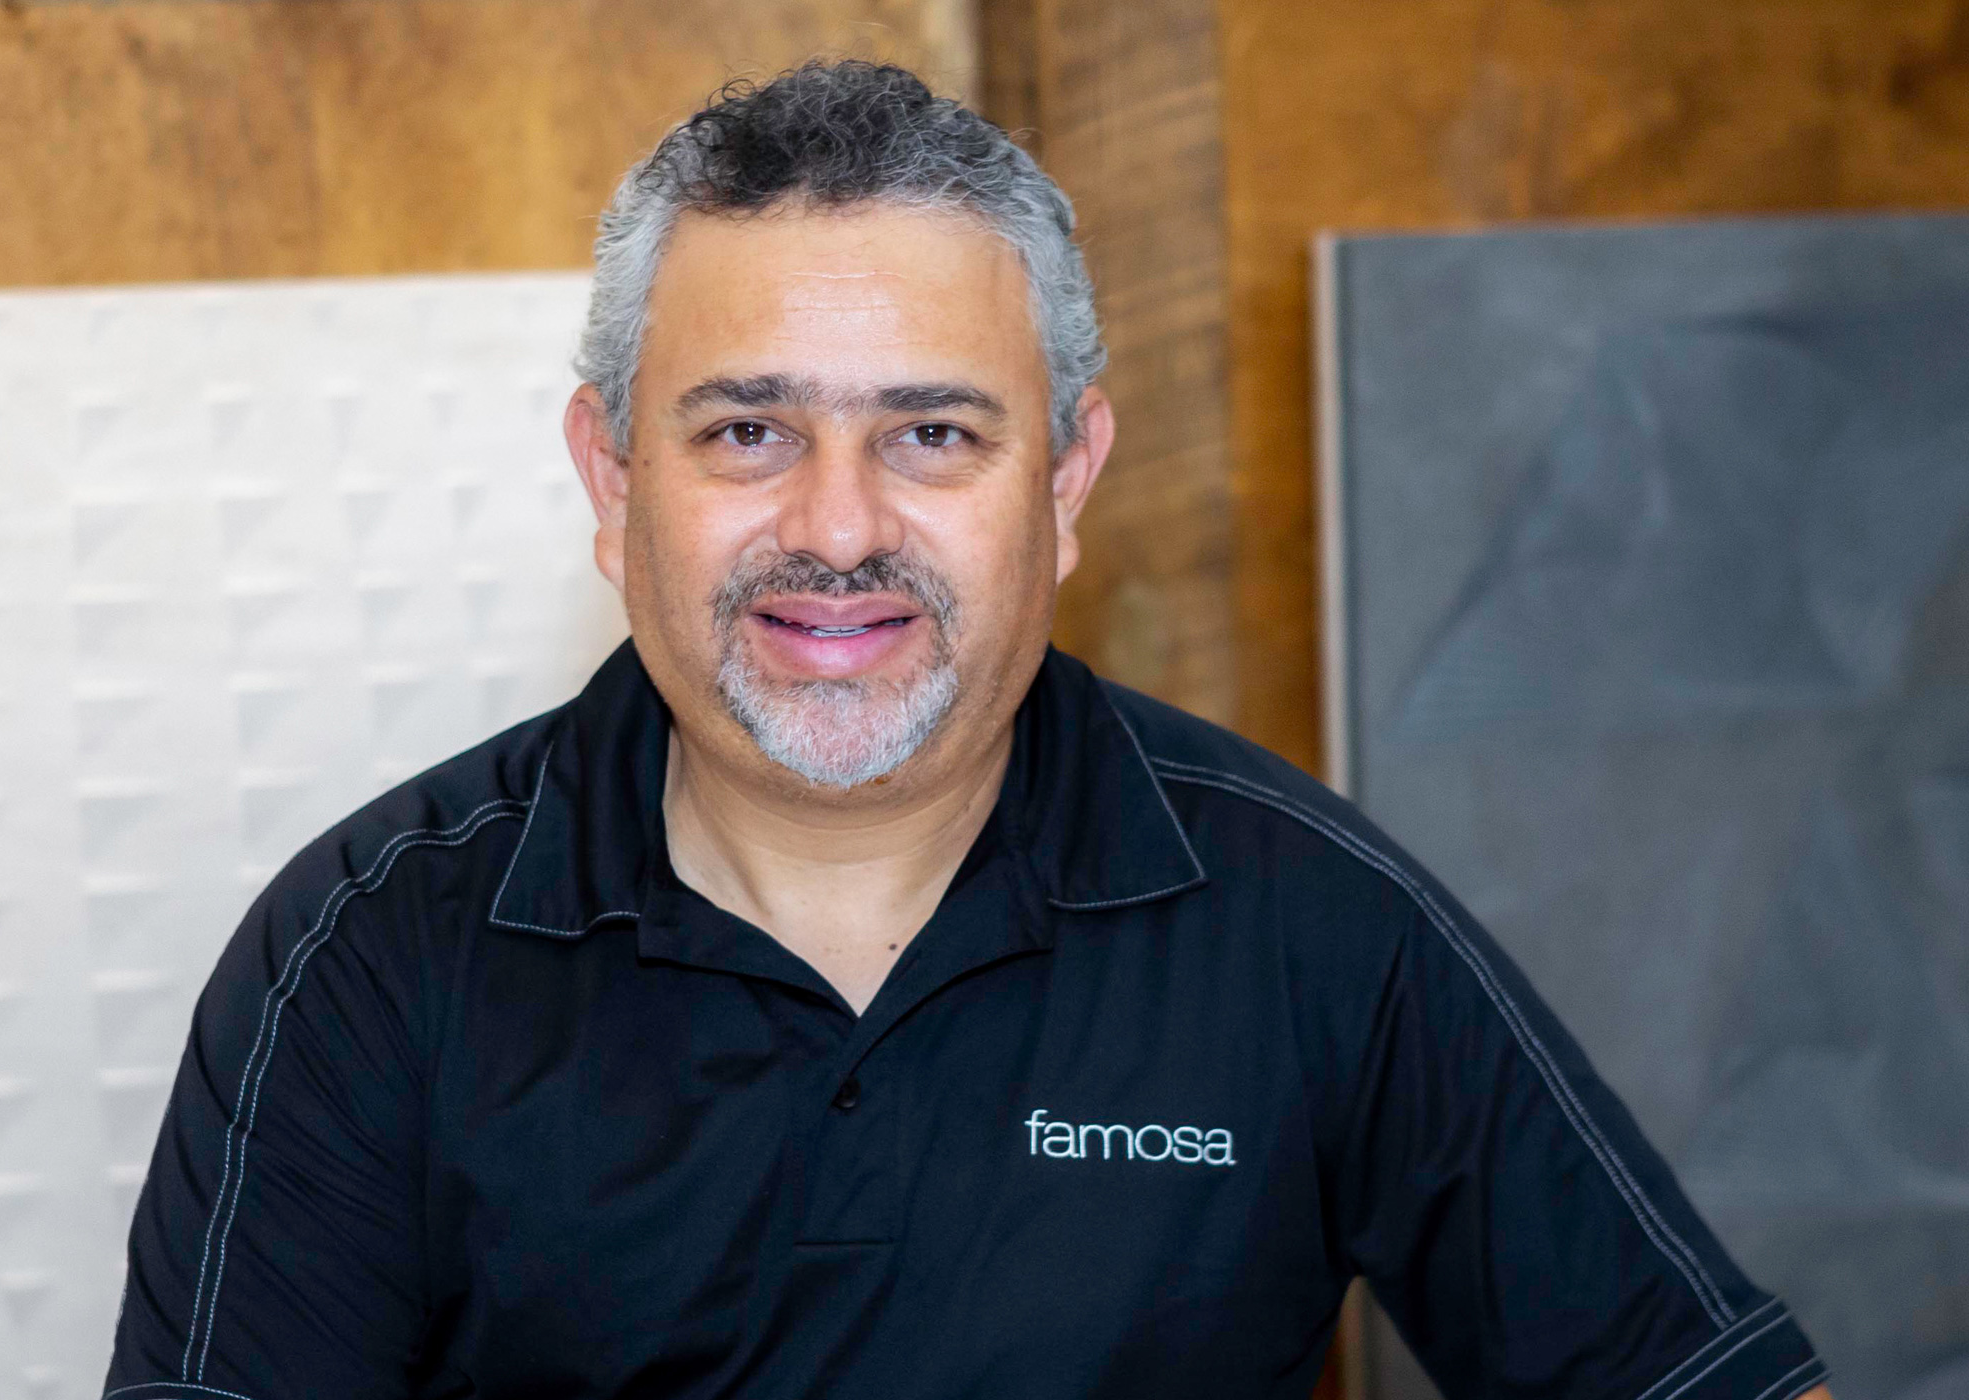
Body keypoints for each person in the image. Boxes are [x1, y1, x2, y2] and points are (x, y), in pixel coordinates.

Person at [104, 61, 1831, 1399]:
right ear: (612, 478)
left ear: (1067, 479)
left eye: (933, 435)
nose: (841, 528)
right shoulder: (365, 962)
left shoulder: (1310, 924)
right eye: (746, 434)